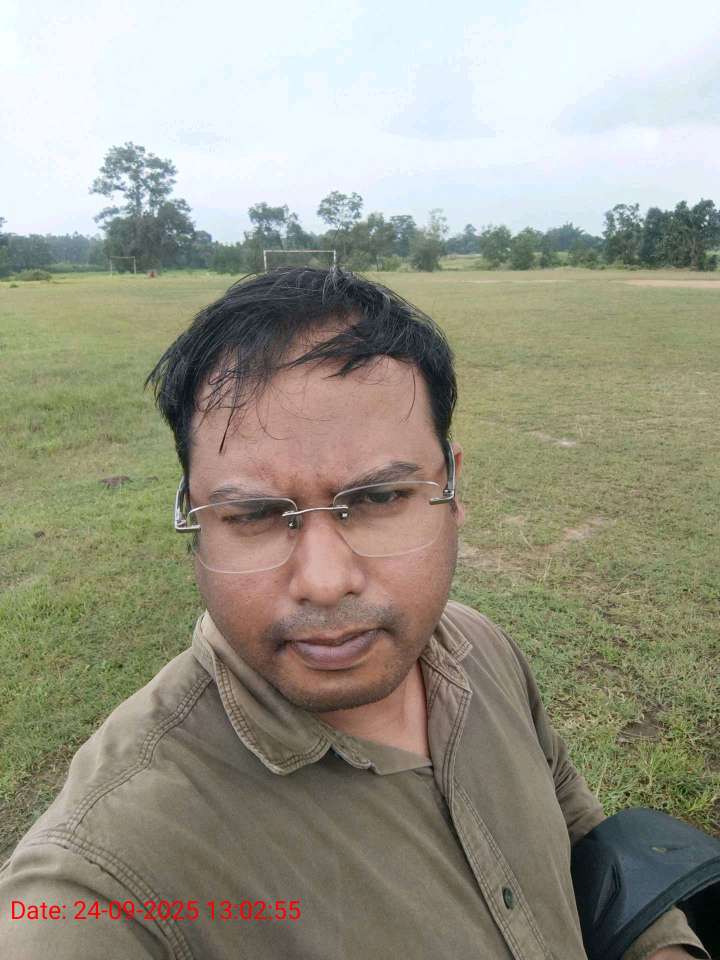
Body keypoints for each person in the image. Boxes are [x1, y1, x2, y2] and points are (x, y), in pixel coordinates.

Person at [0, 268, 708, 959]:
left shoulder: (480, 647)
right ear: (195, 520)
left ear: (452, 489)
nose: (324, 581)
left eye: (378, 499)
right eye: (253, 514)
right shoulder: (106, 873)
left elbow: (571, 818)